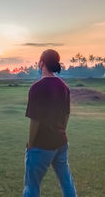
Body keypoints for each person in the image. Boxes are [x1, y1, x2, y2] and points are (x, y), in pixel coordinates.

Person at [23, 49, 77, 197]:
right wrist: (59, 133)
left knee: (31, 186)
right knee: (67, 182)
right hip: (61, 143)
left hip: (41, 145)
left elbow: (35, 121)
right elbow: (66, 116)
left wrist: (31, 144)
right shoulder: (64, 86)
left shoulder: (37, 87)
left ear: (42, 63)